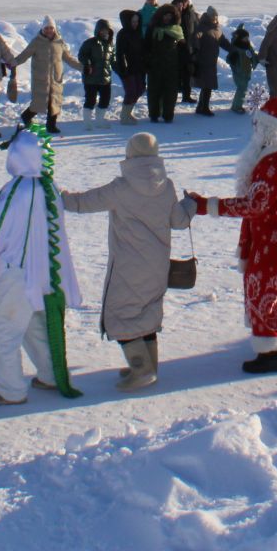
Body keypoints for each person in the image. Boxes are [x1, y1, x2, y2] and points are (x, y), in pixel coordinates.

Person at [188, 97, 277, 374]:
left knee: (264, 287)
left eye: (259, 125)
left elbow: (254, 204)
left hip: (276, 235)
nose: (255, 129)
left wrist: (207, 205)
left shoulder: (276, 163)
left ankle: (272, 354)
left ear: (270, 128)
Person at [62, 131, 191, 389]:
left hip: (128, 266)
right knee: (148, 309)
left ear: (130, 154)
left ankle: (141, 369)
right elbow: (179, 221)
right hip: (158, 265)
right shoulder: (167, 186)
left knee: (120, 314)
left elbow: (82, 203)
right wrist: (190, 203)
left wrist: (57, 195)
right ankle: (149, 365)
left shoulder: (121, 188)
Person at [0, 128, 83, 404]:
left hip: (18, 270)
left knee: (2, 327)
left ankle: (10, 390)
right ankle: (48, 375)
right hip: (45, 269)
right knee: (32, 323)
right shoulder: (50, 187)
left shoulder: (18, 188)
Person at [6, 17, 80, 142]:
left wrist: (83, 68)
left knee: (54, 102)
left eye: (51, 28)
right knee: (38, 103)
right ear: (42, 29)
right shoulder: (37, 42)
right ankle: (26, 116)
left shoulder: (59, 42)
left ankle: (51, 125)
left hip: (55, 78)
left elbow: (69, 58)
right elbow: (25, 54)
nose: (49, 30)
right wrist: (14, 62)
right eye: (46, 28)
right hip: (41, 78)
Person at [146, 6, 187, 124]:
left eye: (170, 16)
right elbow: (146, 45)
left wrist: (185, 62)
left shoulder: (177, 30)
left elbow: (183, 48)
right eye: (165, 15)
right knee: (154, 92)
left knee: (170, 92)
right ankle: (154, 114)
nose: (167, 18)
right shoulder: (153, 28)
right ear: (160, 15)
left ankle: (168, 115)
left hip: (172, 66)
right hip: (155, 65)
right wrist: (148, 60)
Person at [113, 9, 148, 122]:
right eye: (133, 21)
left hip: (138, 67)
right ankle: (124, 115)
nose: (135, 24)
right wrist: (124, 67)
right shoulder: (123, 34)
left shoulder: (138, 33)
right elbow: (120, 53)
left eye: (137, 21)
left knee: (140, 89)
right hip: (126, 68)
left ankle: (129, 112)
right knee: (131, 91)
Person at [79, 19, 115, 119]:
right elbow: (82, 55)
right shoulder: (90, 43)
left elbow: (113, 58)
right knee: (90, 100)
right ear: (97, 30)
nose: (104, 32)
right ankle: (87, 121)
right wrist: (88, 64)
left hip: (105, 78)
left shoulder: (110, 44)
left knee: (105, 100)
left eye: (107, 30)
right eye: (102, 30)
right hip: (91, 78)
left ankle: (99, 120)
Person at [193, 7, 225, 116]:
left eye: (216, 17)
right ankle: (204, 107)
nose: (215, 19)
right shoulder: (202, 27)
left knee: (207, 85)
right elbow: (196, 37)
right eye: (213, 17)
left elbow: (223, 41)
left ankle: (201, 106)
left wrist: (233, 50)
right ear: (209, 16)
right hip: (203, 60)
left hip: (212, 61)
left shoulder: (217, 28)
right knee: (207, 84)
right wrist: (196, 48)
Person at [173, 0, 199, 105]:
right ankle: (173, 96)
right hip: (176, 48)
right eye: (180, 2)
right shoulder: (172, 12)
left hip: (189, 48)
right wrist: (177, 11)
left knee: (187, 73)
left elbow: (196, 27)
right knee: (175, 73)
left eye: (184, 2)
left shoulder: (191, 13)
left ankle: (186, 95)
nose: (182, 5)